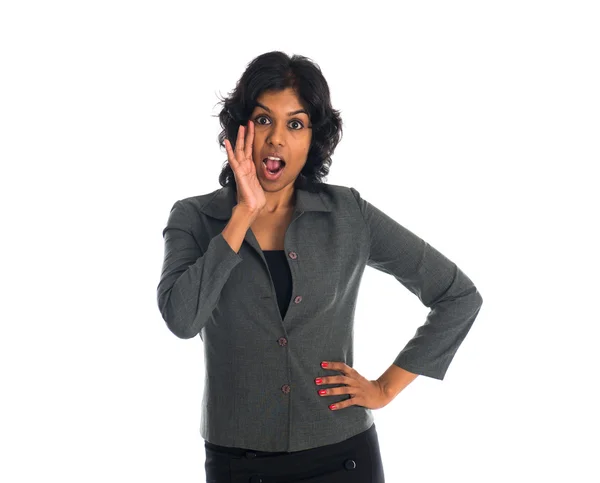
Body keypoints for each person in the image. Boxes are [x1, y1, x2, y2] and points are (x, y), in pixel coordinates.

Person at [157, 51, 483, 483]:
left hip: (342, 457)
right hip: (240, 462)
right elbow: (182, 319)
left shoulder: (349, 213)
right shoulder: (194, 218)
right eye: (262, 119)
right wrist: (243, 215)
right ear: (240, 128)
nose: (276, 139)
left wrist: (384, 389)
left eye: (295, 124)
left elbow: (458, 295)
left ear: (313, 139)